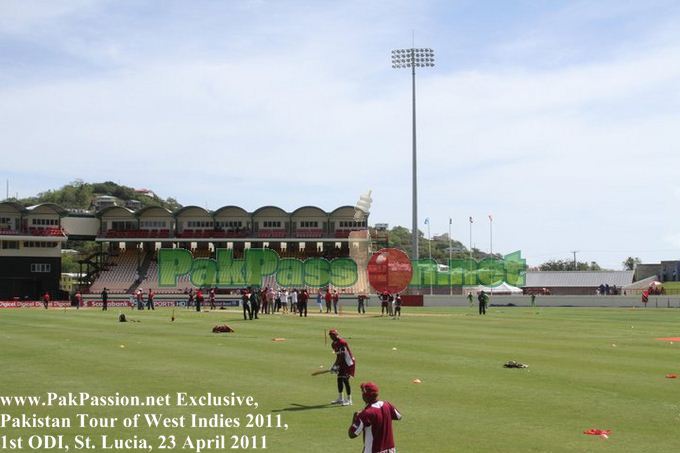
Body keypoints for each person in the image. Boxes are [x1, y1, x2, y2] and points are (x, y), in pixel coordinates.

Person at [348, 381, 402, 452]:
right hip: (391, 450)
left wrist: (355, 418)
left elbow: (352, 434)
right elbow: (399, 416)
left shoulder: (365, 413)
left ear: (365, 396)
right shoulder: (387, 405)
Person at [328, 328, 355, 406]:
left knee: (345, 380)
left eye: (333, 335)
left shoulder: (342, 342)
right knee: (339, 379)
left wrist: (336, 366)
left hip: (348, 363)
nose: (332, 336)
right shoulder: (333, 344)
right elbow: (338, 356)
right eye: (330, 335)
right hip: (342, 362)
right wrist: (334, 366)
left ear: (336, 334)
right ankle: (340, 399)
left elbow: (343, 356)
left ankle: (349, 400)